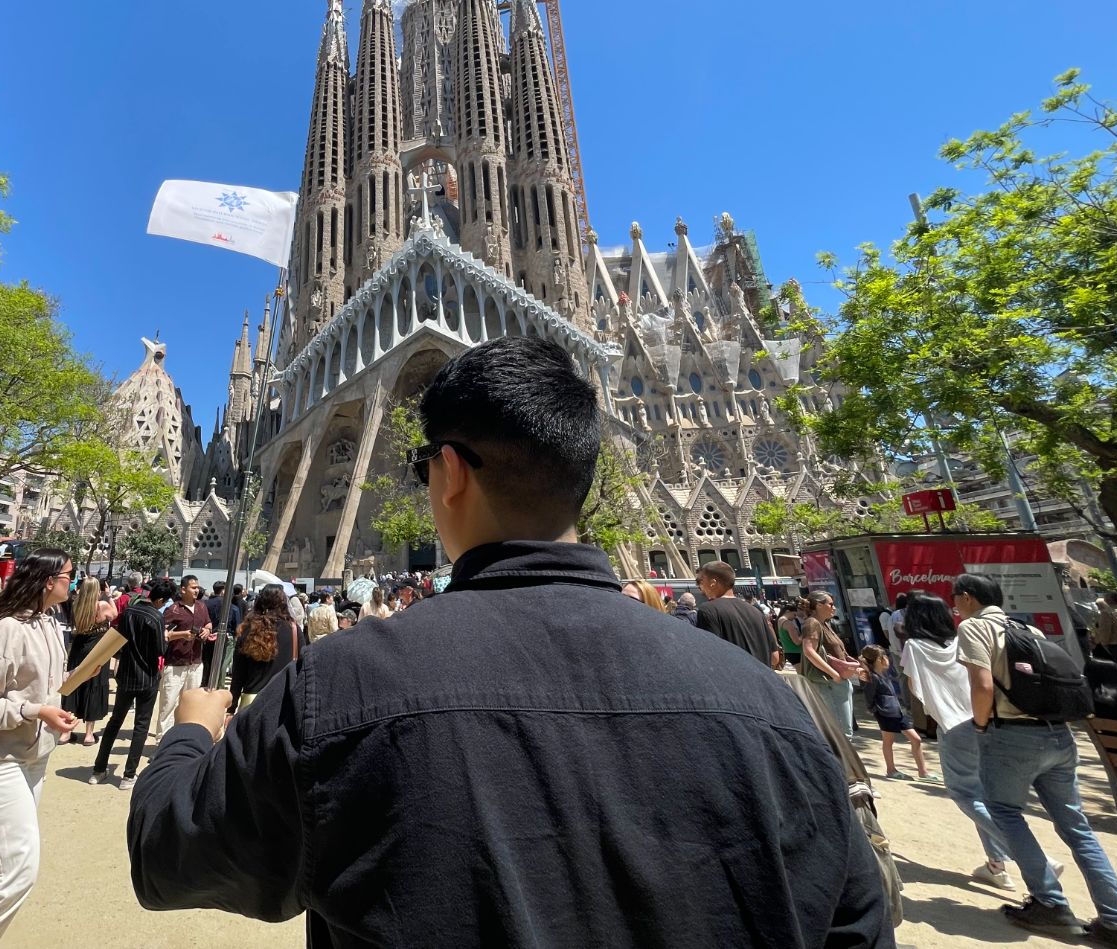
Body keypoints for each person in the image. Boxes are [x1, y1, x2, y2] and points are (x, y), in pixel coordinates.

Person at [128, 336, 889, 946]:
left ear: (449, 474)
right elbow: (855, 919)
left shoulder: (341, 688)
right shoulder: (770, 708)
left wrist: (191, 734)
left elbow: (168, 858)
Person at [955, 572, 1117, 944]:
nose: (954, 605)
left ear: (968, 598)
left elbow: (982, 684)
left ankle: (1050, 904)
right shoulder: (1027, 630)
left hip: (1011, 735)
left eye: (956, 598)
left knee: (1006, 813)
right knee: (1076, 828)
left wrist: (979, 727)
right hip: (1058, 735)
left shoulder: (974, 629)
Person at [0, 548, 78, 948]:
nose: (72, 582)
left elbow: (42, 684)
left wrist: (60, 703)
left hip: (31, 761)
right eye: (68, 575)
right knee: (14, 874)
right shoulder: (7, 628)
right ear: (47, 581)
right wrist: (34, 710)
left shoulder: (48, 623)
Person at [899, 592, 1021, 891]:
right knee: (983, 794)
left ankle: (1026, 852)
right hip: (984, 719)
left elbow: (915, 688)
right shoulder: (961, 641)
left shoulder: (914, 646)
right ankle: (996, 865)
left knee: (965, 795)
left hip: (953, 726)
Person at [93, 581, 170, 791]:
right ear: (160, 600)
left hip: (126, 675)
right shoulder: (156, 617)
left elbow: (120, 639)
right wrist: (166, 638)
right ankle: (128, 775)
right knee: (141, 726)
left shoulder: (128, 612)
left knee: (114, 721)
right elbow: (160, 649)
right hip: (147, 677)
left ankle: (98, 769)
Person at [858, 645, 931, 781]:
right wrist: (875, 710)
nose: (887, 659)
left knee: (916, 739)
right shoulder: (872, 677)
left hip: (896, 712)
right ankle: (891, 769)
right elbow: (869, 697)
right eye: (884, 656)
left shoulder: (883, 674)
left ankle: (923, 772)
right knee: (889, 741)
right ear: (878, 660)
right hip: (886, 713)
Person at [694, 561, 781, 668]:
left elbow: (710, 657)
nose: (699, 586)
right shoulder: (756, 612)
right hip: (762, 681)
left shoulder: (708, 610)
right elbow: (774, 658)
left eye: (700, 581)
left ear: (713, 582)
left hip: (732, 681)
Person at [61, 577, 116, 746]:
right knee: (94, 686)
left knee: (73, 685)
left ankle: (65, 732)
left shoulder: (75, 605)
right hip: (97, 648)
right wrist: (109, 596)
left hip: (78, 647)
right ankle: (89, 735)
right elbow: (114, 614)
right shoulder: (102, 605)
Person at [156, 574, 213, 738]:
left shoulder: (202, 606)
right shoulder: (173, 609)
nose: (197, 590)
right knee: (168, 705)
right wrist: (182, 634)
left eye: (197, 587)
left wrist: (207, 630)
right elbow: (163, 633)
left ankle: (182, 740)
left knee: (190, 705)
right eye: (193, 587)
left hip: (195, 663)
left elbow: (208, 622)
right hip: (175, 665)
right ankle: (162, 742)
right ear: (183, 589)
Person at [229, 585, 300, 712]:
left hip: (252, 700)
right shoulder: (294, 629)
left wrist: (231, 707)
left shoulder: (248, 629)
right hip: (283, 699)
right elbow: (302, 664)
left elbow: (238, 672)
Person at [800, 590, 856, 738]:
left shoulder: (824, 623)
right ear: (818, 605)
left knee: (844, 731)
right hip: (828, 683)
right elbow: (809, 651)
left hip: (836, 682)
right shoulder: (812, 623)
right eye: (830, 604)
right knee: (841, 733)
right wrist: (834, 674)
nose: (834, 607)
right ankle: (841, 761)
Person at [1095, 592, 1117, 666]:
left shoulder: (1106, 613)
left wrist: (1104, 643)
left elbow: (1105, 630)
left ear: (1109, 600)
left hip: (1114, 644)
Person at [778, 598, 805, 666]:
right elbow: (797, 642)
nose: (795, 617)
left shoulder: (779, 621)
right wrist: (805, 633)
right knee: (802, 675)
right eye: (794, 615)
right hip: (796, 652)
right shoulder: (788, 623)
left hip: (788, 651)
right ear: (788, 611)